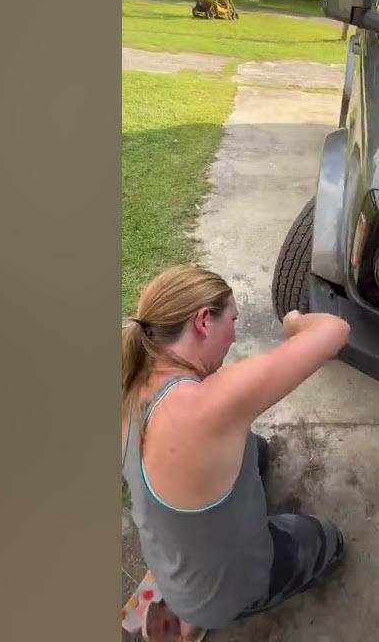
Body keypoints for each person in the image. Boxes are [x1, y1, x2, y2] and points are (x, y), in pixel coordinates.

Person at [121, 265, 351, 640]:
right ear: (202, 322)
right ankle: (196, 619)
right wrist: (294, 320)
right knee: (328, 537)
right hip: (222, 591)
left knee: (254, 449)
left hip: (168, 560)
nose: (234, 338)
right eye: (233, 320)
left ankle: (182, 606)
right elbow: (334, 331)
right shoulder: (207, 408)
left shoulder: (132, 379)